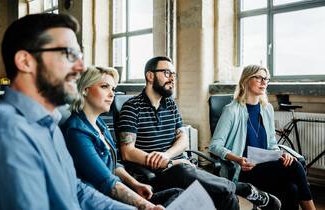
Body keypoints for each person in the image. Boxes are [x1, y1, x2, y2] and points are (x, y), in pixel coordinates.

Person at [0, 13, 134, 210]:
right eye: (69, 54)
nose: (81, 67)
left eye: (79, 56)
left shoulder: (49, 123)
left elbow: (74, 189)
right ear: (25, 61)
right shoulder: (9, 133)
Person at [116, 56, 281, 210]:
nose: (172, 78)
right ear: (150, 76)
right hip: (157, 173)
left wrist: (168, 155)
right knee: (186, 172)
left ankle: (238, 190)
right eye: (167, 73)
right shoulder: (132, 107)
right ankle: (243, 188)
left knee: (227, 196)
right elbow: (127, 152)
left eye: (174, 74)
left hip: (180, 165)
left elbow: (183, 139)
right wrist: (166, 162)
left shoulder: (170, 104)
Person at [62, 66, 181, 210]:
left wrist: (135, 184)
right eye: (105, 87)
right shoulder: (77, 131)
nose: (112, 94)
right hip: (99, 199)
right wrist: (146, 206)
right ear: (85, 90)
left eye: (113, 89)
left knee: (177, 193)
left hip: (116, 190)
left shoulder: (100, 123)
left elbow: (114, 164)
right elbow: (107, 182)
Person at [209, 64, 316, 210]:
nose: (264, 82)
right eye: (259, 78)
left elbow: (272, 143)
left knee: (292, 188)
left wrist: (282, 154)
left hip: (265, 166)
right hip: (244, 170)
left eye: (266, 79)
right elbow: (215, 146)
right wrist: (238, 159)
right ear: (246, 80)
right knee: (296, 167)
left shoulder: (267, 108)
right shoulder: (231, 110)